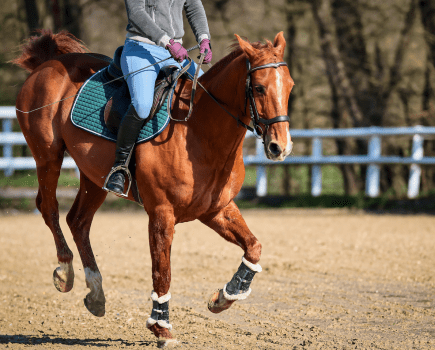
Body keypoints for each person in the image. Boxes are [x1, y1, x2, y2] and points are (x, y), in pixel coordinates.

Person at [105, 0, 213, 195]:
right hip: (141, 48)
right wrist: (166, 41)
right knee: (143, 104)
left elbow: (194, 6)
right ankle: (119, 169)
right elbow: (136, 13)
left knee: (209, 96)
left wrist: (204, 38)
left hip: (176, 52)